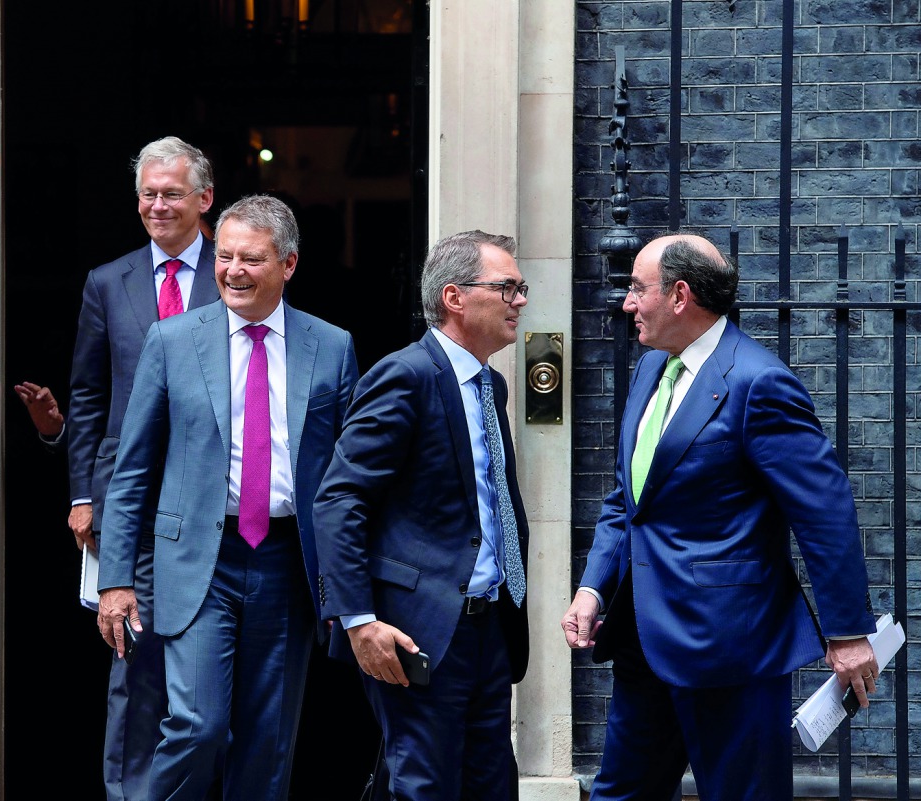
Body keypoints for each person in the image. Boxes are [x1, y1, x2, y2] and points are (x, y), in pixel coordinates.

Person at [560, 233, 878, 800]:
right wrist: (592, 587)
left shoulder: (758, 382)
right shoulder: (650, 370)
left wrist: (849, 632)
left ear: (679, 295)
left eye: (638, 288)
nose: (627, 302)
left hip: (731, 646)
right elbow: (628, 499)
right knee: (620, 794)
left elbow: (824, 511)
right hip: (643, 636)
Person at [95, 195, 359, 801]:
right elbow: (132, 470)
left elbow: (350, 478)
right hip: (198, 564)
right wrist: (116, 579)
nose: (233, 271)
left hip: (289, 564)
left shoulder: (332, 346)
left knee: (268, 747)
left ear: (288, 265)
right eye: (225, 256)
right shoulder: (172, 340)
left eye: (252, 259)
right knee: (198, 727)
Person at [313, 230, 531, 801]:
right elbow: (340, 500)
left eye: (520, 287)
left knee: (492, 785)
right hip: (420, 629)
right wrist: (358, 619)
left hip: (489, 624)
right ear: (456, 297)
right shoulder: (404, 377)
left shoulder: (492, 384)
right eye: (507, 287)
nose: (520, 300)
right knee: (425, 787)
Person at [66, 136, 220, 801]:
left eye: (171, 193)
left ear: (204, 199)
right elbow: (89, 393)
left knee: (209, 671)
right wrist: (81, 493)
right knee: (135, 660)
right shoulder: (109, 280)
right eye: (148, 194)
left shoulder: (235, 269)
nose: (157, 205)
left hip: (211, 496)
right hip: (127, 503)